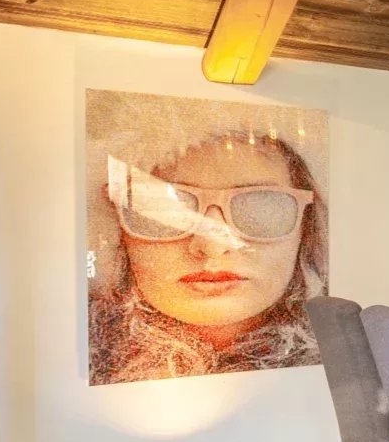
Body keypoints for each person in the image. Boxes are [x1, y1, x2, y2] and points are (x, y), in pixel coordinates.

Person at [91, 130, 327, 384]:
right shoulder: (76, 352)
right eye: (162, 210)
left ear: (307, 228)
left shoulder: (342, 352)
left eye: (261, 208)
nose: (212, 247)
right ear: (115, 232)